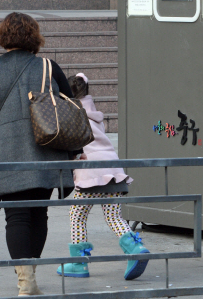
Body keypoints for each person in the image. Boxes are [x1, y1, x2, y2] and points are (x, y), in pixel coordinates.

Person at [0, 12, 78, 296]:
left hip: (5, 155)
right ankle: (30, 276)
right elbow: (71, 111)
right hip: (47, 153)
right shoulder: (49, 66)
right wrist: (77, 150)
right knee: (38, 214)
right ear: (34, 37)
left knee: (17, 216)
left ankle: (25, 281)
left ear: (3, 37)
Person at [56, 73, 150, 281]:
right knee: (114, 216)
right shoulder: (95, 114)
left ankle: (79, 263)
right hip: (113, 170)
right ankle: (136, 248)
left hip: (90, 173)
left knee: (77, 216)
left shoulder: (70, 115)